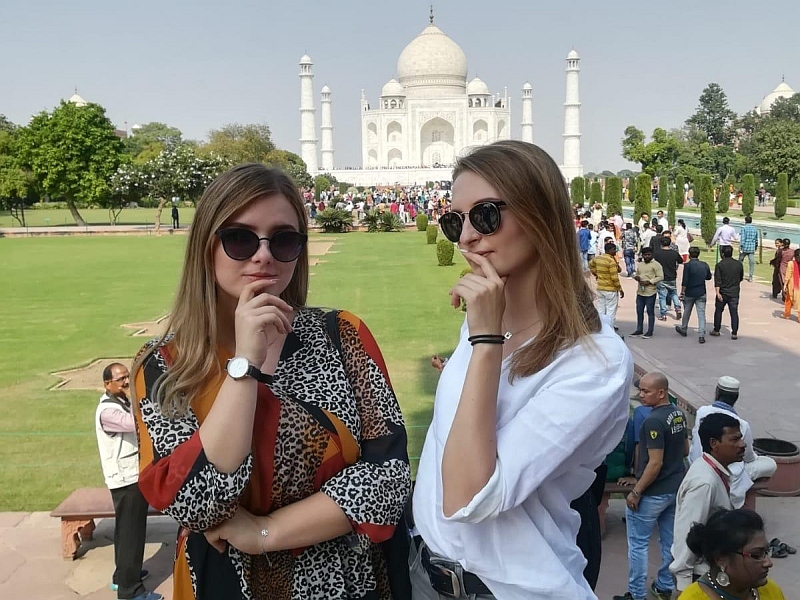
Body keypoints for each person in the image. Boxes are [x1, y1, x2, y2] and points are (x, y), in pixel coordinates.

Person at [130, 164, 411, 599]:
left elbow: (388, 477)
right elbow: (196, 504)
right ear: (206, 245)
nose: (263, 256)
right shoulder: (167, 364)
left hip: (347, 582)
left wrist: (266, 531)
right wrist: (245, 364)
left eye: (283, 240)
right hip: (228, 584)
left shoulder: (340, 335)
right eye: (240, 238)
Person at [413, 140, 633, 600]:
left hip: (509, 588)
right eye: (455, 221)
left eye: (485, 215)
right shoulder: (483, 325)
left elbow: (467, 498)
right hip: (428, 571)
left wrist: (486, 341)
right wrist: (484, 336)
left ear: (540, 216)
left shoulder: (593, 361)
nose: (466, 237)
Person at [613, 372, 687, 600]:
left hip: (653, 493)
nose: (641, 395)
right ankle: (664, 587)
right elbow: (684, 450)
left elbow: (655, 463)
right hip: (674, 488)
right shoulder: (678, 414)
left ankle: (637, 594)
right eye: (640, 390)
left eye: (646, 391)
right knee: (669, 542)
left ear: (661, 393)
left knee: (638, 544)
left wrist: (636, 491)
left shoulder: (652, 421)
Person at [95, 363, 162, 600]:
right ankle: (130, 591)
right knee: (131, 534)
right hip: (126, 480)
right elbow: (139, 424)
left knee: (126, 531)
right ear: (107, 384)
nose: (126, 381)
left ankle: (123, 576)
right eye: (121, 379)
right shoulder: (108, 411)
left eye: (127, 376)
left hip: (130, 476)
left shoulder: (120, 402)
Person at [670, 412, 744, 592]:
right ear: (714, 443)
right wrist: (684, 587)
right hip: (698, 577)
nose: (742, 444)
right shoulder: (704, 483)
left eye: (741, 438)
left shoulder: (710, 469)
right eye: (734, 439)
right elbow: (688, 532)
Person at [689, 376, 778, 509]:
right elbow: (748, 457)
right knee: (769, 463)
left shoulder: (702, 411)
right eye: (736, 439)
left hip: (699, 463)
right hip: (724, 471)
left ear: (717, 392)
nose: (741, 443)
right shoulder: (742, 425)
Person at [679, 509, 786, 599]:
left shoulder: (771, 591)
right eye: (756, 555)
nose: (768, 563)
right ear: (721, 559)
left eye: (766, 552)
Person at [675, 247, 712, 343]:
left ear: (689, 255)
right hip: (701, 291)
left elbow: (685, 281)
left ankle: (684, 328)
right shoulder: (704, 265)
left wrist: (682, 292)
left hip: (690, 292)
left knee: (687, 311)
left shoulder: (688, 266)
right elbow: (708, 277)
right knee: (701, 314)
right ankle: (701, 334)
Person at [711, 245, 744, 340]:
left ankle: (716, 330)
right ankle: (734, 333)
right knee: (734, 312)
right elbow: (740, 278)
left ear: (722, 254)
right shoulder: (738, 264)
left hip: (723, 291)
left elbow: (717, 280)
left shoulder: (720, 265)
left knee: (718, 310)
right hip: (734, 292)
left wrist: (717, 293)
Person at [630, 246, 664, 339]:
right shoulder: (641, 264)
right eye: (645, 255)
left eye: (649, 254)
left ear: (652, 254)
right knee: (639, 311)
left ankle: (650, 331)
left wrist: (649, 282)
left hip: (650, 292)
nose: (647, 256)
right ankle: (639, 329)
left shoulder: (656, 265)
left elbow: (660, 277)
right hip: (640, 292)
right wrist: (636, 277)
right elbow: (637, 274)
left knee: (650, 312)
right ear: (642, 255)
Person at [590, 241, 625, 330]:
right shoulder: (611, 261)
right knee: (610, 312)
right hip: (610, 289)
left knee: (601, 310)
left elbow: (590, 264)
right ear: (609, 250)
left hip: (600, 288)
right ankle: (610, 329)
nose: (615, 252)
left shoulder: (598, 258)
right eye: (614, 250)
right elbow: (614, 278)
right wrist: (620, 289)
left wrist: (596, 273)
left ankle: (601, 328)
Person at [654, 236, 683, 321]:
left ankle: (663, 314)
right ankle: (678, 307)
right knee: (673, 293)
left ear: (661, 244)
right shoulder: (674, 253)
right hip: (672, 276)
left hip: (661, 277)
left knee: (662, 296)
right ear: (670, 244)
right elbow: (681, 261)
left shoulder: (657, 253)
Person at [738, 216, 759, 282]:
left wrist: (741, 246)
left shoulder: (744, 228)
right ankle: (750, 277)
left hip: (744, 248)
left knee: (740, 261)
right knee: (751, 263)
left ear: (745, 221)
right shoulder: (755, 229)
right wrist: (756, 246)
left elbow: (742, 238)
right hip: (751, 248)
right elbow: (756, 239)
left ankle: (740, 275)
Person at [784, 248, 800, 320]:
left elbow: (788, 275)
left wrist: (785, 285)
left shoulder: (791, 263)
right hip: (795, 284)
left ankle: (787, 314)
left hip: (793, 285)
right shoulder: (791, 263)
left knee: (789, 300)